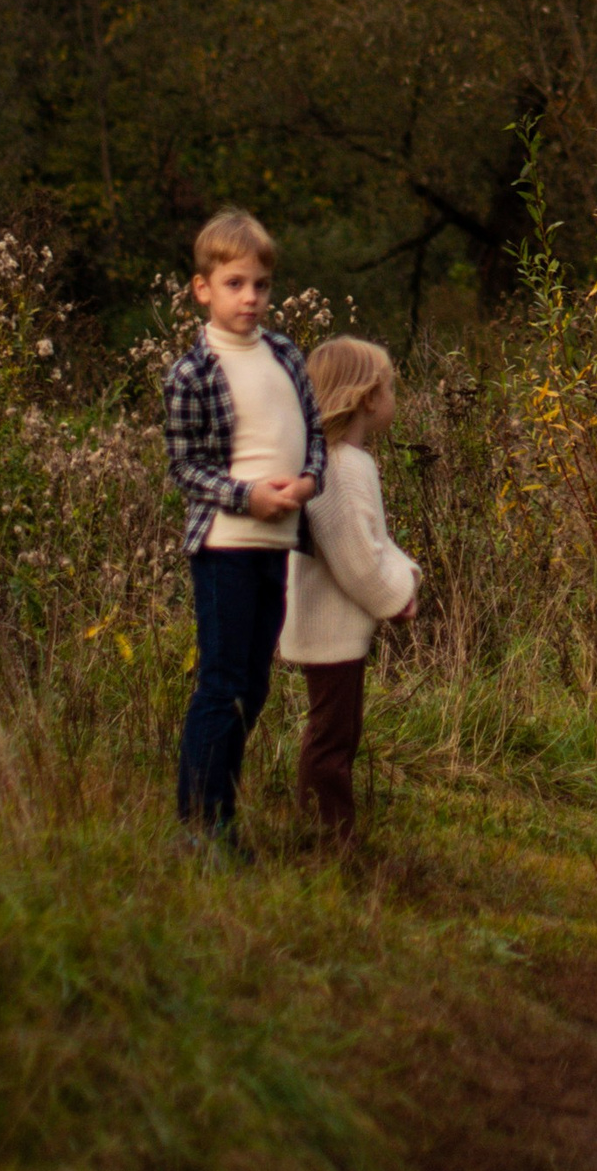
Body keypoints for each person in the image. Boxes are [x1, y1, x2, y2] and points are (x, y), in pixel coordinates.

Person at [161, 209, 328, 846]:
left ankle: (220, 812)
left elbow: (313, 434)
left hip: (277, 547)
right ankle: (201, 828)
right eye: (235, 284)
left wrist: (309, 482)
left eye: (260, 284)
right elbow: (186, 468)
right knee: (223, 683)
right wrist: (246, 496)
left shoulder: (285, 352)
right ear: (203, 288)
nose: (251, 297)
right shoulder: (192, 374)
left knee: (253, 685)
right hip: (226, 547)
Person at [284, 336, 421, 838]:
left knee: (333, 730)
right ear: (367, 398)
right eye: (389, 387)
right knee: (332, 738)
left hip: (330, 624)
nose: (394, 396)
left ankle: (318, 823)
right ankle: (329, 835)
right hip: (330, 627)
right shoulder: (340, 469)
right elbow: (358, 560)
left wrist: (402, 573)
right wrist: (397, 596)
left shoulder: (337, 463)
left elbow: (373, 543)